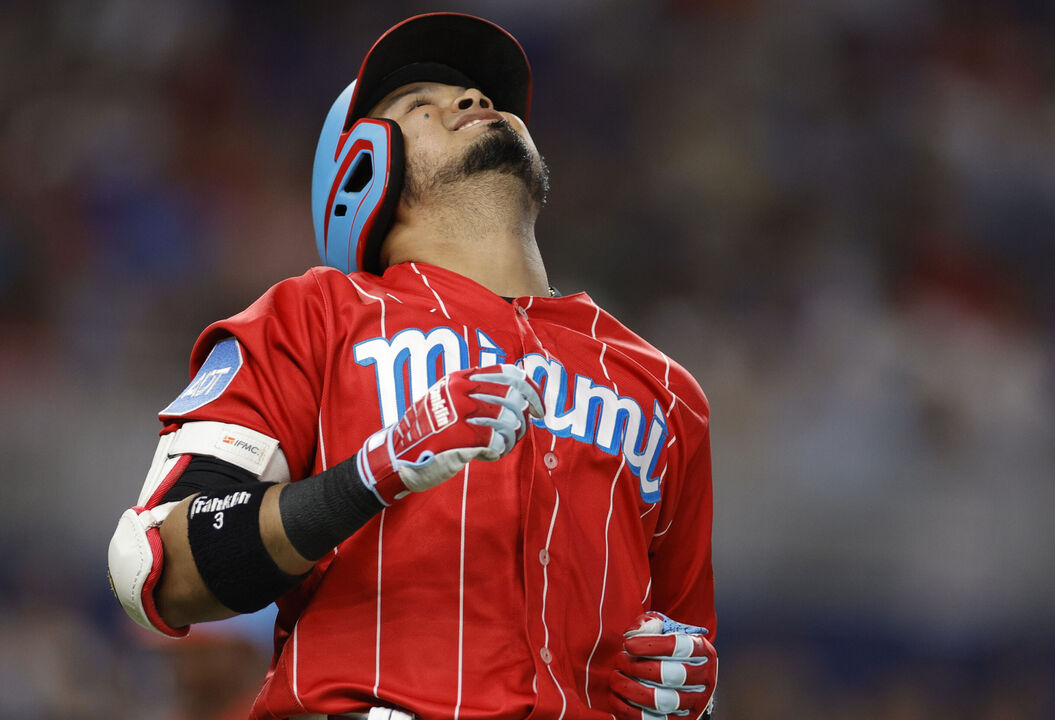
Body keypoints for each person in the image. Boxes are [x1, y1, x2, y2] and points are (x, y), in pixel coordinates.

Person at [106, 12, 717, 720]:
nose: (472, 100)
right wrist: (374, 470)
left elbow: (679, 645)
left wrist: (684, 691)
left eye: (483, 96)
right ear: (363, 164)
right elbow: (153, 564)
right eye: (423, 102)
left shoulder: (669, 391)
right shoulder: (311, 316)